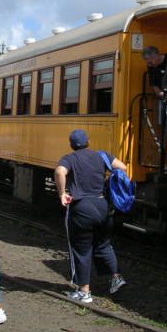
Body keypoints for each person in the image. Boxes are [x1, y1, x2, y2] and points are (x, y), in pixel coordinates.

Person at [54, 130, 127, 303]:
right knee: (103, 245)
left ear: (71, 144)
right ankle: (116, 278)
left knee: (82, 250)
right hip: (103, 206)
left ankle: (84, 292)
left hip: (82, 208)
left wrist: (62, 194)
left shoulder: (69, 158)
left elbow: (59, 172)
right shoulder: (102, 156)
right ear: (88, 141)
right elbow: (123, 167)